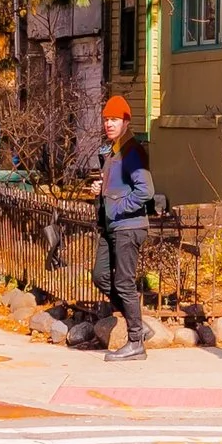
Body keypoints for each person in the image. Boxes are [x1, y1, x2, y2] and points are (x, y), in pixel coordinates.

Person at [94, 99, 157, 360]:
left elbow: (146, 191)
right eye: (107, 119)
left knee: (124, 283)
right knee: (100, 276)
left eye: (115, 119)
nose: (109, 123)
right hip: (111, 226)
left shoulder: (132, 151)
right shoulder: (114, 150)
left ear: (126, 122)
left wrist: (117, 207)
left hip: (128, 227)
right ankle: (138, 324)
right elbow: (119, 187)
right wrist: (101, 191)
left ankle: (135, 343)